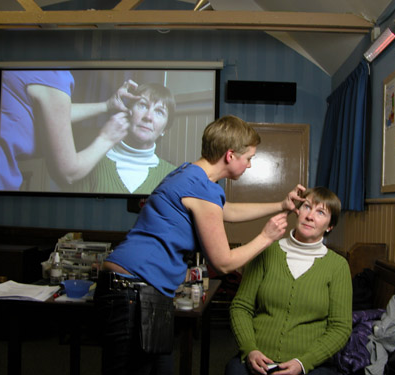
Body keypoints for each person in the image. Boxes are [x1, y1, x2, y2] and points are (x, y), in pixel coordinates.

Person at [94, 115, 306, 375]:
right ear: (230, 155)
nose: (249, 165)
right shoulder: (202, 188)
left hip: (139, 289)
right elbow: (223, 262)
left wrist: (281, 206)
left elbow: (225, 210)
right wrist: (267, 237)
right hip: (132, 290)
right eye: (249, 158)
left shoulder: (189, 174)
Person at [226, 186, 352, 375]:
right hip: (259, 359)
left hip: (310, 364)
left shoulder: (338, 266)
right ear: (297, 211)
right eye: (307, 207)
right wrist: (250, 349)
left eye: (320, 213)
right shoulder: (266, 251)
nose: (310, 216)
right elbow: (241, 306)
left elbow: (340, 327)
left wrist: (303, 363)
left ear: (330, 226)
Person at [0, 70, 136, 191]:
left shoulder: (27, 64)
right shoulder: (53, 74)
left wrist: (107, 105)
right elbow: (68, 174)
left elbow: (53, 113)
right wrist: (107, 138)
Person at [71, 82, 177, 194]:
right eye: (143, 105)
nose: (148, 117)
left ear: (164, 130)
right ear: (127, 111)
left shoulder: (172, 176)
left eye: (159, 112)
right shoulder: (90, 163)